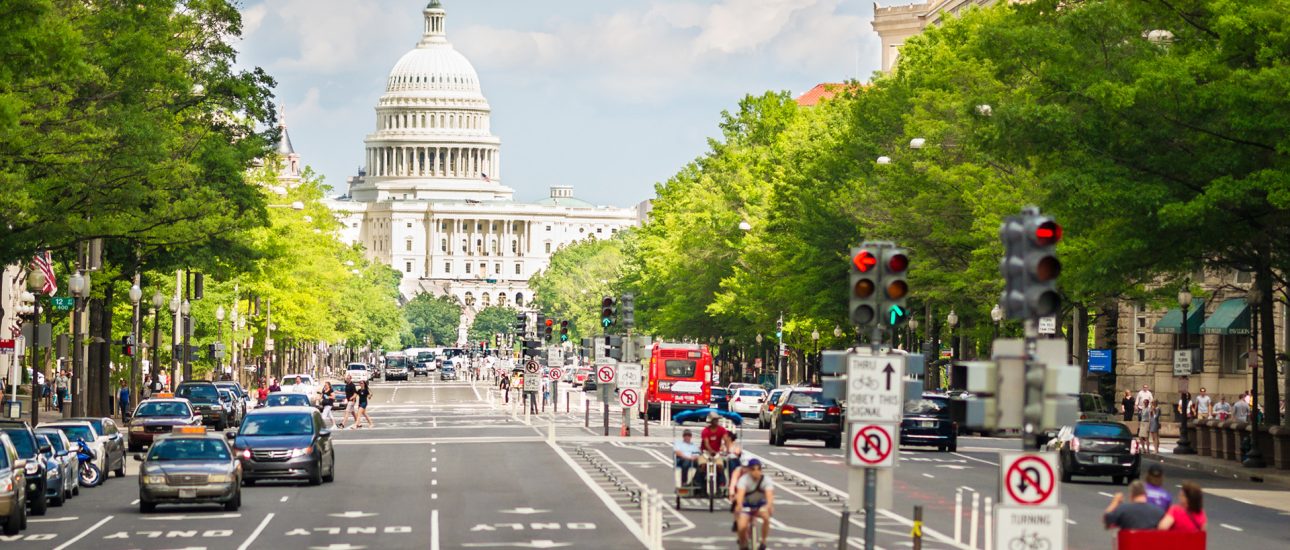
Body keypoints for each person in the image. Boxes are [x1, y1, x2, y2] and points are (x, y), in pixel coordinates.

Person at [733, 458, 774, 550]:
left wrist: (769, 506)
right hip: (747, 504)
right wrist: (739, 505)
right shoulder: (744, 480)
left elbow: (769, 495)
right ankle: (743, 542)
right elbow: (740, 495)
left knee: (766, 518)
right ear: (749, 470)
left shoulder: (766, 480)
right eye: (753, 469)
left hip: (760, 504)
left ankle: (763, 541)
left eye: (758, 469)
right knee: (742, 526)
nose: (756, 472)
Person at [698, 412, 730, 492]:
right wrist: (711, 451)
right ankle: (701, 485)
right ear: (711, 421)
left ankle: (721, 484)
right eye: (714, 420)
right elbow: (706, 443)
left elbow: (726, 440)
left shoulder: (721, 430)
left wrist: (728, 449)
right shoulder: (705, 431)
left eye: (717, 420)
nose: (716, 421)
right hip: (705, 452)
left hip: (716, 453)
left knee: (720, 466)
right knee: (702, 466)